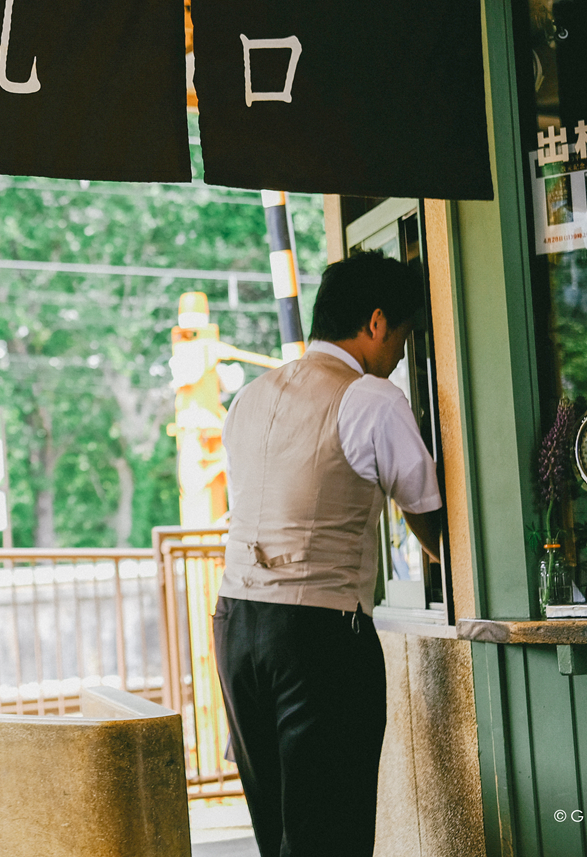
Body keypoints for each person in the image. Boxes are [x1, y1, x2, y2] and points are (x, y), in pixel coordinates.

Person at [213, 250, 444, 857]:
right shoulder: (371, 397)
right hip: (318, 634)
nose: (399, 354)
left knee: (280, 830)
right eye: (402, 337)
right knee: (332, 832)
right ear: (375, 323)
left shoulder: (249, 396)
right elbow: (431, 522)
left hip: (235, 625)